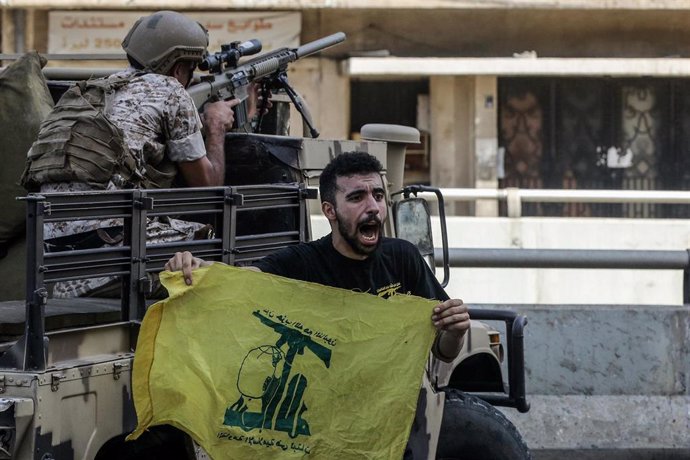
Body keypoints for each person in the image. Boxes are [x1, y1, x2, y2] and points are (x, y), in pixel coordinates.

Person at [165, 151, 471, 458]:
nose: (374, 207)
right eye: (357, 197)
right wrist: (194, 268)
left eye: (378, 195)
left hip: (383, 436)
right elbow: (240, 282)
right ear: (330, 210)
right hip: (318, 435)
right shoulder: (302, 263)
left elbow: (443, 350)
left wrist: (455, 330)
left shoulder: (403, 258)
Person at [21, 10, 241, 298]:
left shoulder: (97, 89)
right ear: (177, 69)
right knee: (208, 241)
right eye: (191, 69)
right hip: (111, 245)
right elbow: (209, 189)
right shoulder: (173, 91)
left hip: (52, 247)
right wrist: (215, 126)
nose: (190, 77)